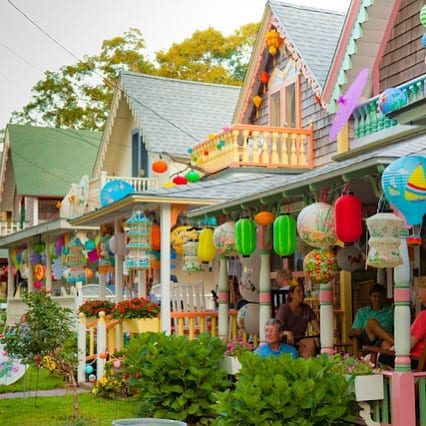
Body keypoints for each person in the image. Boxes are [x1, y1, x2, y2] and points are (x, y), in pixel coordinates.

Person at [275, 283, 320, 358]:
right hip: (285, 340)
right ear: (291, 294)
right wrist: (287, 332)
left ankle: (305, 367)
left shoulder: (306, 309)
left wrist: (327, 334)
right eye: (298, 291)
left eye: (303, 291)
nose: (302, 294)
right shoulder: (284, 309)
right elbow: (276, 328)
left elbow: (318, 328)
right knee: (303, 347)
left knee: (311, 342)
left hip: (300, 339)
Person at [352, 283, 394, 349]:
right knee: (371, 322)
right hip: (368, 339)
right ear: (370, 297)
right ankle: (396, 344)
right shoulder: (362, 311)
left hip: (384, 340)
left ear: (384, 297)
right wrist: (374, 331)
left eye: (380, 296)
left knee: (387, 345)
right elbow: (357, 330)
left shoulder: (391, 311)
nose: (377, 299)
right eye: (374, 296)